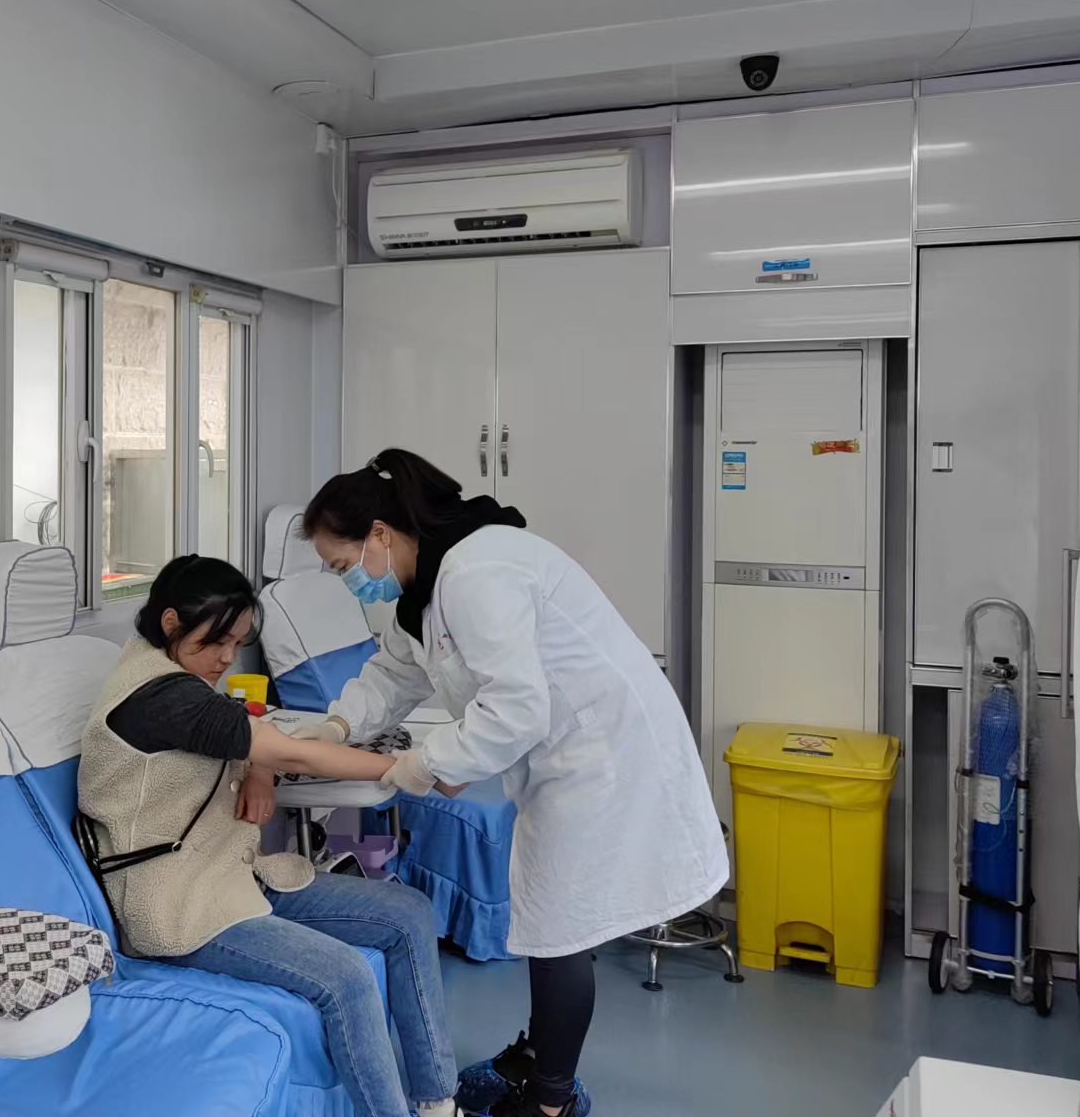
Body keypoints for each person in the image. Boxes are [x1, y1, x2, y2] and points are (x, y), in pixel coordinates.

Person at [295, 449, 728, 1117]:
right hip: (562, 754)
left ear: (379, 533)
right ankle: (538, 1054)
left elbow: (517, 709)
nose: (346, 580)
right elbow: (394, 674)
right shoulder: (426, 586)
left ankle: (552, 1102)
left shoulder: (476, 570)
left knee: (558, 924)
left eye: (342, 564)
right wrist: (335, 724)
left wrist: (426, 765)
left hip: (600, 753)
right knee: (545, 914)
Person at [78, 554, 464, 1117]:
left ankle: (437, 1102)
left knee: (409, 913)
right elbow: (290, 750)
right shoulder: (161, 697)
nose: (227, 657)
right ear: (170, 622)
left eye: (236, 642)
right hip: (177, 908)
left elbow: (251, 734)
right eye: (217, 642)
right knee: (347, 976)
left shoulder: (177, 677)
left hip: (227, 876)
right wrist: (412, 767)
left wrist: (259, 768)